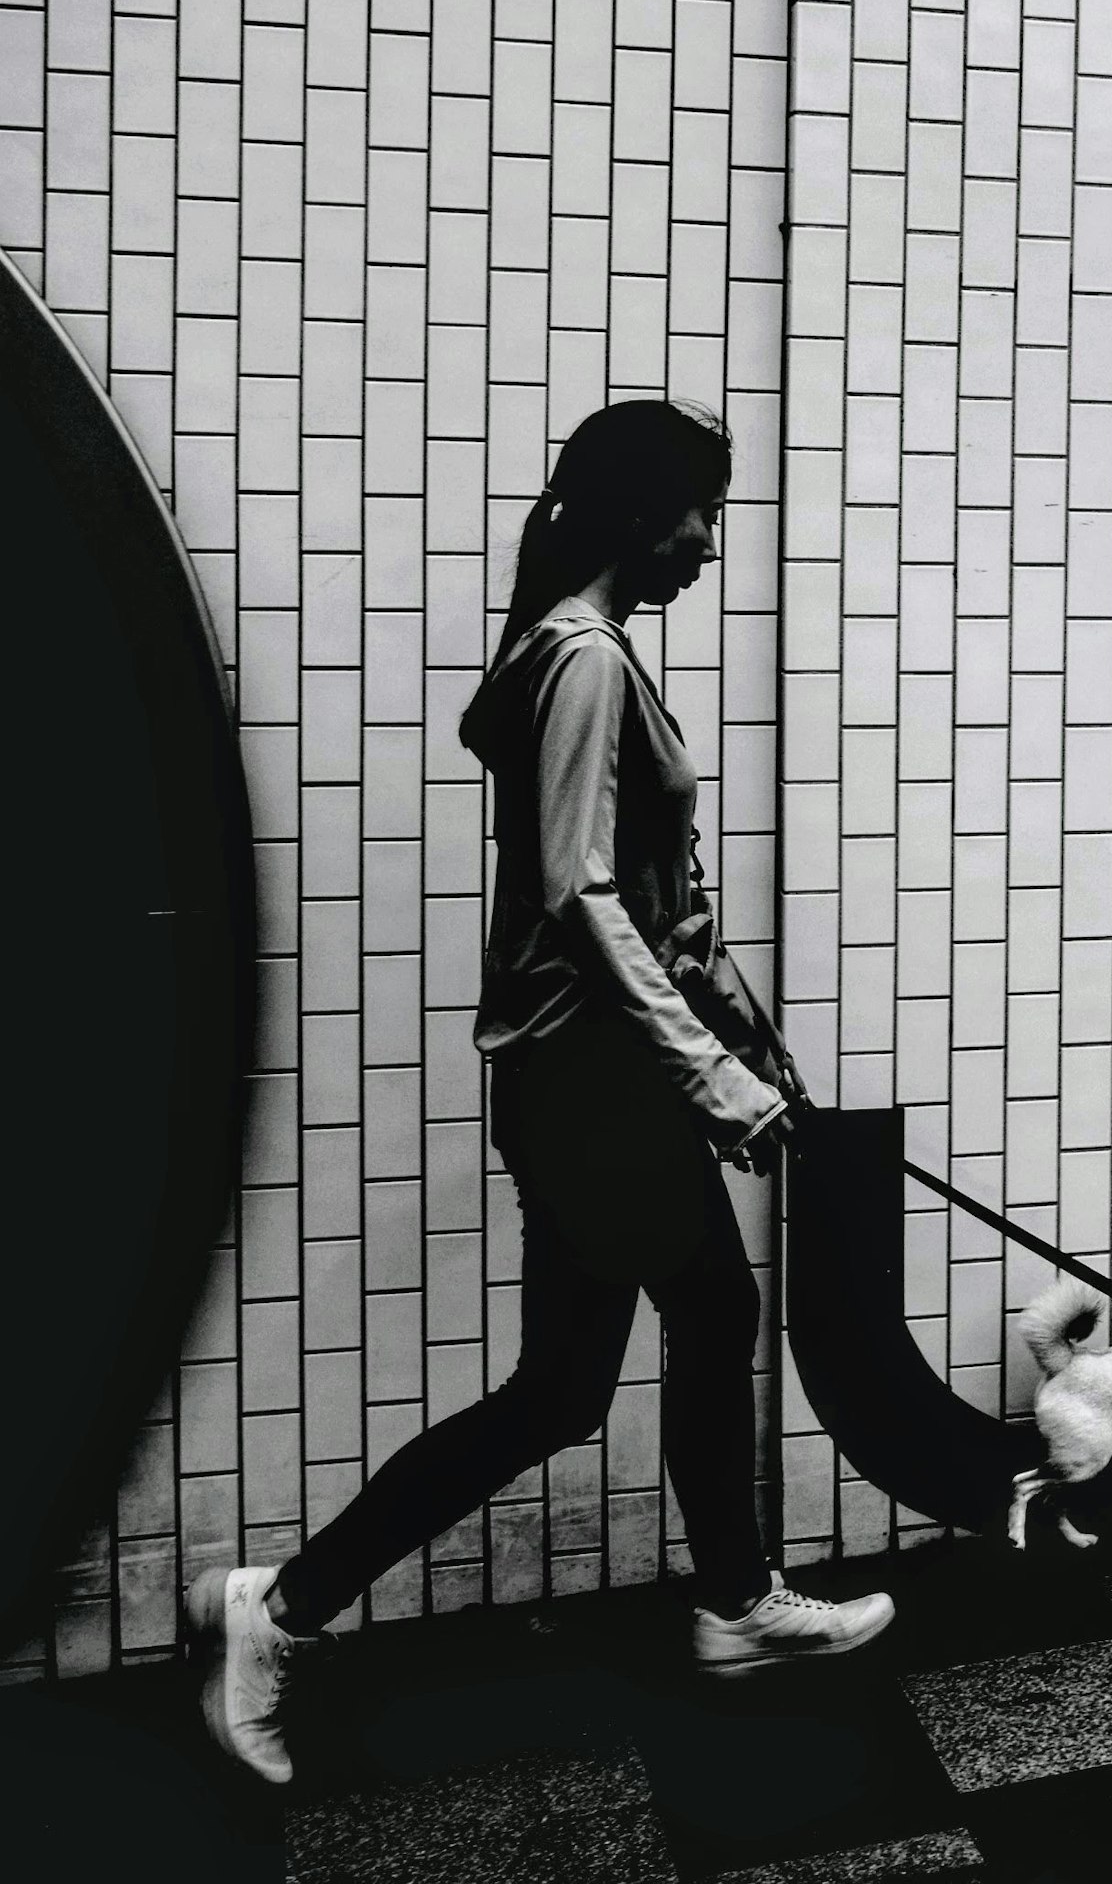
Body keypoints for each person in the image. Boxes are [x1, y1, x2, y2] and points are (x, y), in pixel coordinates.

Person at [189, 400, 891, 1786]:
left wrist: (756, 1053)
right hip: (591, 1086)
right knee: (617, 1360)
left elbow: (668, 911)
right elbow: (578, 895)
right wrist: (708, 1075)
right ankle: (287, 1612)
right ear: (638, 511)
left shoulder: (594, 657)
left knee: (601, 1367)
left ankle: (718, 1602)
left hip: (606, 1082)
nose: (707, 542)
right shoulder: (580, 661)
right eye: (700, 514)